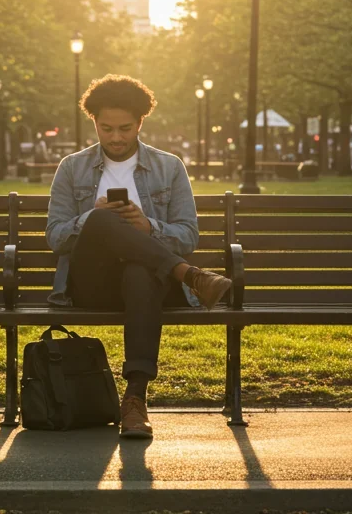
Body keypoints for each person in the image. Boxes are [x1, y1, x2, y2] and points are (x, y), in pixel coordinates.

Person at [46, 74, 233, 440]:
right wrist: (91, 219)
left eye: (125, 129)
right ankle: (189, 275)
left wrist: (149, 227)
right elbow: (55, 236)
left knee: (139, 270)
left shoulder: (169, 166)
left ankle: (135, 400)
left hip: (148, 285)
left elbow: (188, 234)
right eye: (107, 128)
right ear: (94, 123)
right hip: (91, 285)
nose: (116, 138)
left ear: (140, 123)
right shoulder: (72, 167)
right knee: (101, 218)